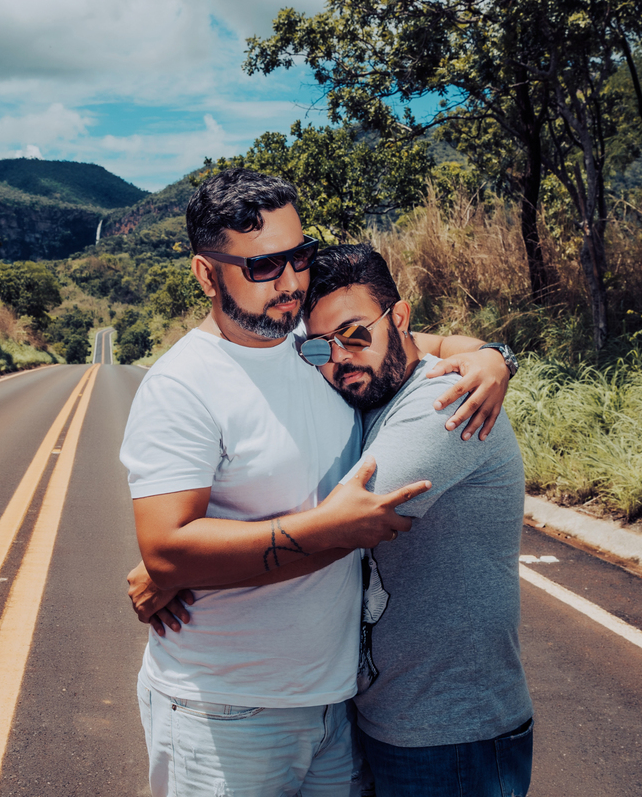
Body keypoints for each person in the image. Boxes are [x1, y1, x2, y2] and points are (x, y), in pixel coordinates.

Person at [120, 167, 514, 797]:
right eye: (262, 266)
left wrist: (494, 356)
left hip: (335, 706)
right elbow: (166, 547)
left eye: (298, 257)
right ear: (205, 273)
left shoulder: (306, 340)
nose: (290, 282)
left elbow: (406, 339)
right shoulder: (181, 387)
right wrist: (171, 565)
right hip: (227, 709)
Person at [301, 243, 533, 797]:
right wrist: (493, 351)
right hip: (393, 721)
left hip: (452, 738)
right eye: (319, 347)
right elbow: (425, 342)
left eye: (356, 335)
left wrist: (181, 565)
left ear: (398, 317)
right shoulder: (377, 386)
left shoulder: (443, 403)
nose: (340, 358)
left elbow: (334, 529)